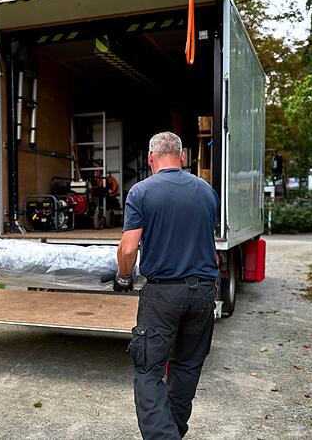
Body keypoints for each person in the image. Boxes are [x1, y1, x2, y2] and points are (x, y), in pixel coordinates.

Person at [115, 131, 220, 440]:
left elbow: (128, 249)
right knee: (186, 366)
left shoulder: (141, 192)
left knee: (148, 369)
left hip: (164, 294)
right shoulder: (206, 191)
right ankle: (173, 431)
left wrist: (124, 276)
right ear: (182, 157)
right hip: (204, 291)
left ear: (150, 158)